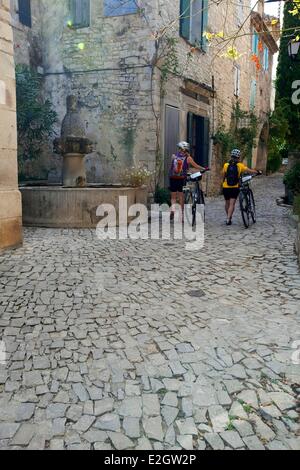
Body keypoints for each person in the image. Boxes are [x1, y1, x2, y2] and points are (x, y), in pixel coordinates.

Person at [223, 149, 262, 226]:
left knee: (227, 203)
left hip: (225, 186)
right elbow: (250, 171)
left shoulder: (226, 165)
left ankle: (228, 219)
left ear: (231, 156)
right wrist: (257, 172)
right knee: (232, 204)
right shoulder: (240, 165)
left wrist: (222, 183)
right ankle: (228, 218)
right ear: (238, 157)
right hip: (234, 187)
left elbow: (223, 175)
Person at [169, 141, 207, 220]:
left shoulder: (174, 156)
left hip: (173, 177)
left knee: (173, 196)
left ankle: (172, 210)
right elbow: (196, 166)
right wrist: (204, 168)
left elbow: (172, 167)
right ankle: (181, 216)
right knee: (181, 197)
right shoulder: (188, 158)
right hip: (181, 178)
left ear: (180, 148)